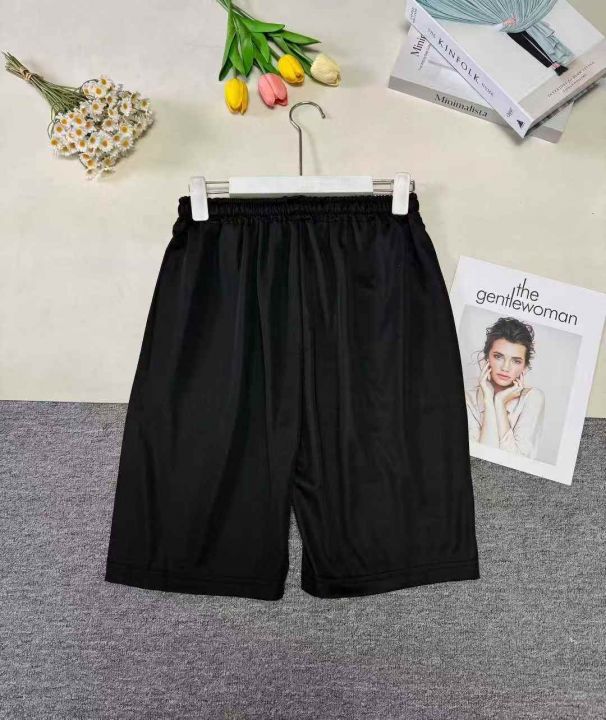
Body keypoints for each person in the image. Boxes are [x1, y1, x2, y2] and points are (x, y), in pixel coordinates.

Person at [466, 317, 545, 459]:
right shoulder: (467, 400)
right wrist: (489, 400)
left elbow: (517, 461)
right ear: (486, 358)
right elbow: (481, 459)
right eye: (498, 356)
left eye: (516, 361)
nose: (505, 367)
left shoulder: (532, 398)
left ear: (524, 368)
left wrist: (499, 403)